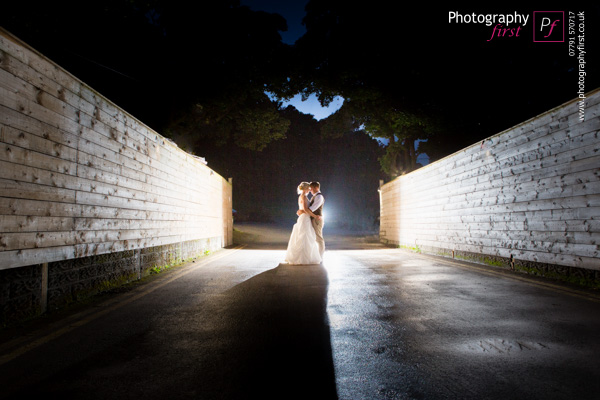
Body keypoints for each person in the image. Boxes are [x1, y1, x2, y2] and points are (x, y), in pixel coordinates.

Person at [285, 182, 322, 265]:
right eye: (308, 188)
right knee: (305, 236)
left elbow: (303, 209)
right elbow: (305, 210)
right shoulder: (304, 197)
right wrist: (315, 216)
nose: (310, 190)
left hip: (303, 217)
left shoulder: (301, 196)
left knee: (304, 236)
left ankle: (302, 258)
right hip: (305, 218)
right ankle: (303, 259)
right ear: (305, 189)